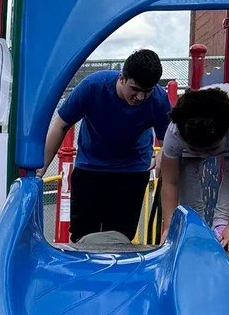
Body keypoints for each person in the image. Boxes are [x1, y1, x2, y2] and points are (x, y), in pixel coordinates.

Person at [42, 49, 172, 242]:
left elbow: (168, 139)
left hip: (132, 171)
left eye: (147, 91)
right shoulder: (93, 87)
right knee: (83, 234)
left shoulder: (158, 99)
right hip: (90, 168)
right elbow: (61, 124)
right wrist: (41, 168)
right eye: (134, 89)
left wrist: (162, 153)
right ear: (122, 78)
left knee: (120, 236)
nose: (140, 97)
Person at [158, 84, 229, 256]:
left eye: (213, 149)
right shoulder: (176, 132)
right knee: (185, 165)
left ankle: (221, 223)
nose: (206, 154)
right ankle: (194, 224)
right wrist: (168, 228)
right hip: (197, 118)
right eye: (197, 150)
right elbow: (170, 182)